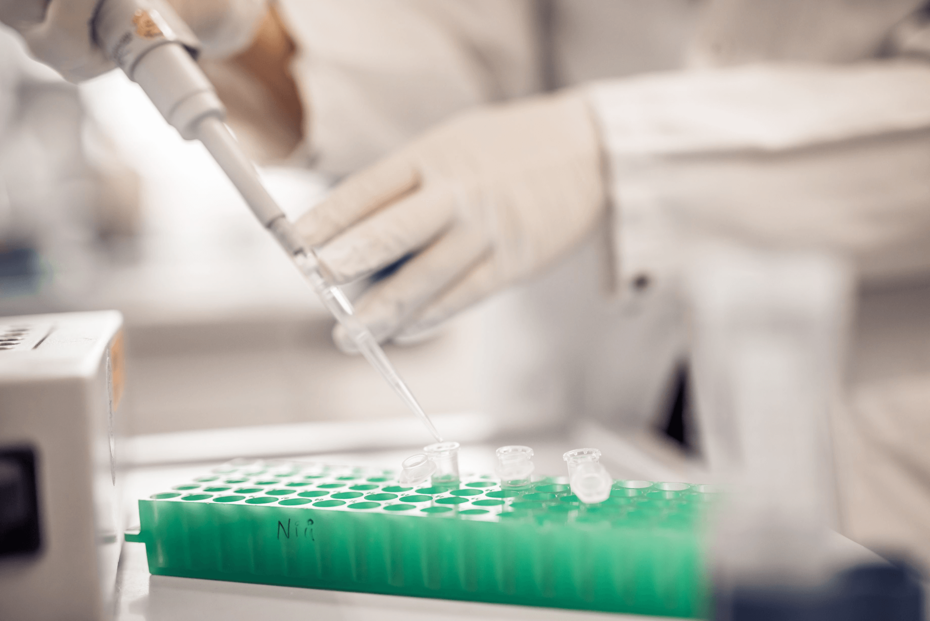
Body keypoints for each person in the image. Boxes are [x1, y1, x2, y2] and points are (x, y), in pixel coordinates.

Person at [5, 0, 930, 568]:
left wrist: (613, 153)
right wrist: (241, 24)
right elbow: (452, 57)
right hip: (588, 424)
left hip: (880, 464)